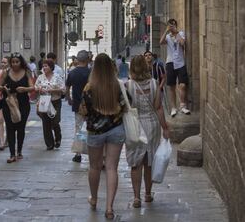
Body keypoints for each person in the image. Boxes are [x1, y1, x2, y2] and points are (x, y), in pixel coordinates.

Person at [79, 53, 127, 220]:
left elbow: (83, 111)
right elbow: (125, 107)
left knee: (95, 167)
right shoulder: (118, 85)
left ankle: (94, 199)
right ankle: (109, 208)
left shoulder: (89, 87)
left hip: (96, 132)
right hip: (116, 129)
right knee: (112, 168)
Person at [126, 55, 170, 209]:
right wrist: (164, 127)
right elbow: (158, 107)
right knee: (149, 162)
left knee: (135, 163)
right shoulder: (154, 83)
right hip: (151, 125)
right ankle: (148, 194)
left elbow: (126, 109)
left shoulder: (128, 86)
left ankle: (136, 197)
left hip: (134, 127)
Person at [0, 52, 34, 163]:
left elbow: (32, 87)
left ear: (21, 62)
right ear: (10, 63)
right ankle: (12, 154)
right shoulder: (6, 72)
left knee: (21, 128)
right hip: (9, 103)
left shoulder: (26, 72)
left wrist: (24, 89)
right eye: (13, 62)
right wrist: (3, 88)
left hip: (23, 104)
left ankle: (19, 151)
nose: (15, 64)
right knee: (10, 127)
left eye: (17, 62)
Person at [160, 18, 190, 116]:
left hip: (180, 63)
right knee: (171, 86)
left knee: (183, 85)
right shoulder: (168, 36)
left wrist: (176, 33)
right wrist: (166, 31)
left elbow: (182, 43)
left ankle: (183, 105)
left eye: (173, 25)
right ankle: (173, 107)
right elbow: (161, 42)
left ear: (176, 25)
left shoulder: (181, 34)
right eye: (170, 25)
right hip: (170, 62)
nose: (172, 26)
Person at [65, 50, 91, 163]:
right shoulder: (91, 73)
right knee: (92, 129)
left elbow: (67, 88)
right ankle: (92, 152)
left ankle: (78, 153)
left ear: (78, 60)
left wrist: (69, 99)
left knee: (79, 129)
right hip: (91, 106)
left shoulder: (72, 73)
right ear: (87, 59)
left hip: (77, 105)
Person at [35, 59, 65, 150]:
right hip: (44, 101)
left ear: (51, 67)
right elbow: (35, 87)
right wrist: (39, 89)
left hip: (55, 101)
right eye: (43, 66)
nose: (44, 68)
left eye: (46, 66)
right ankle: (49, 144)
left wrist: (52, 90)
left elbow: (63, 89)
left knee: (55, 121)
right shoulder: (40, 77)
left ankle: (58, 137)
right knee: (46, 122)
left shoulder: (57, 77)